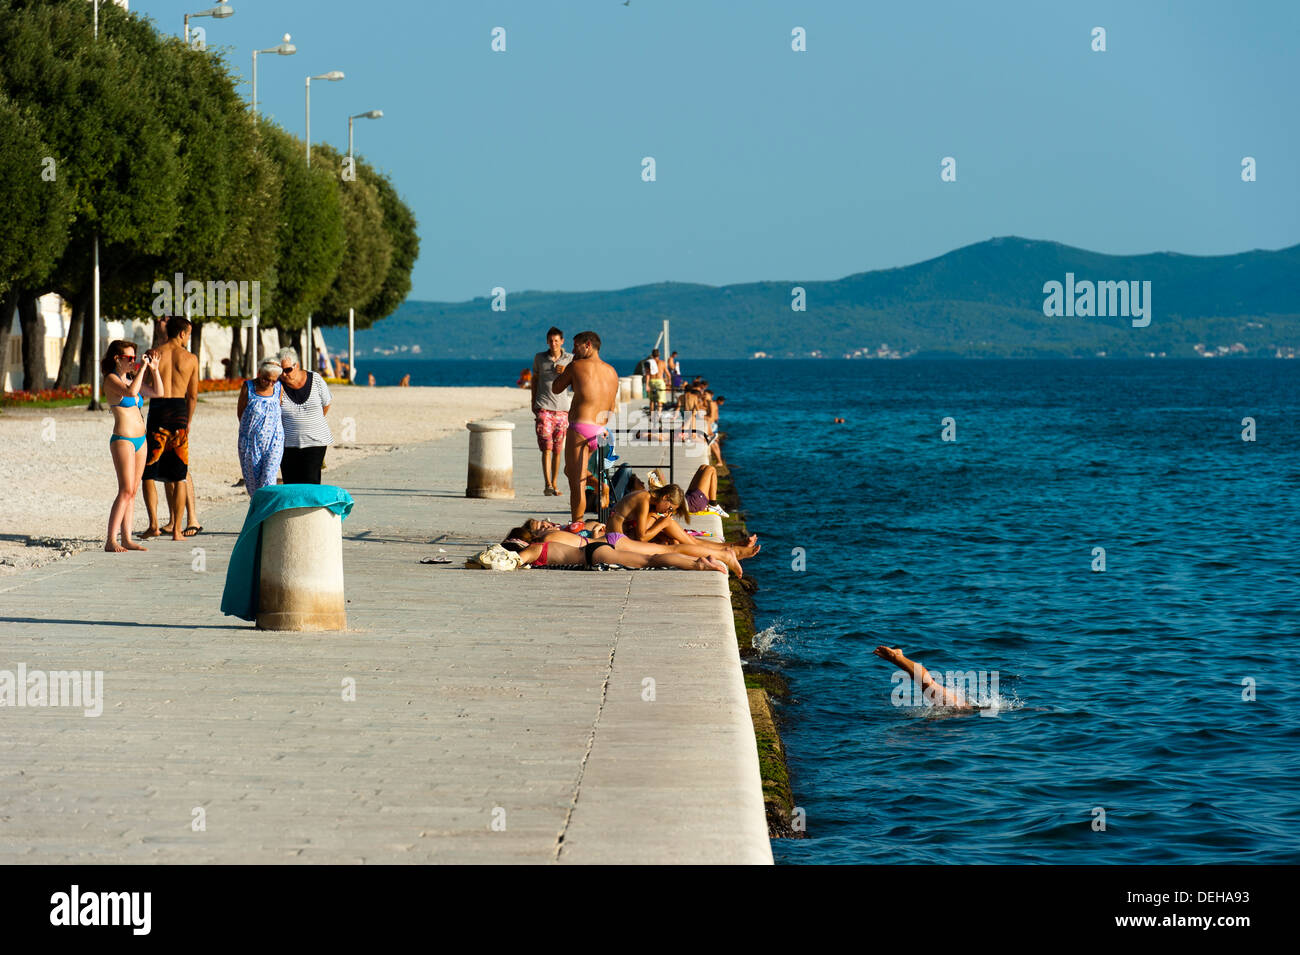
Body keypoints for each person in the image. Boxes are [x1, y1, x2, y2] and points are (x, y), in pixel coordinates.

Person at [507, 518, 745, 576]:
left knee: (664, 552)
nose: (544, 524)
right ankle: (722, 552)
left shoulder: (548, 537)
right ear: (531, 535)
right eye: (538, 526)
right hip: (607, 541)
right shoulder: (550, 535)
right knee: (664, 551)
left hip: (605, 545)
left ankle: (722, 553)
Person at [550, 330, 619, 522]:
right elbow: (612, 407)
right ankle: (599, 486)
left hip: (580, 428)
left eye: (575, 345)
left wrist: (564, 372)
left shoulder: (576, 366)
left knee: (576, 483)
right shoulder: (612, 372)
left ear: (588, 344)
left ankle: (577, 524)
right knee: (570, 471)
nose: (573, 350)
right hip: (601, 431)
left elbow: (556, 389)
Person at [141, 315, 199, 541]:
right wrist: (189, 420)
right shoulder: (190, 358)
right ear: (182, 333)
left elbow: (143, 383)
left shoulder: (154, 353)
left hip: (158, 409)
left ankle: (153, 524)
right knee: (179, 473)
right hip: (178, 412)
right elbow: (192, 396)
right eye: (189, 334)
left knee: (149, 470)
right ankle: (177, 530)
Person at [101, 340, 163, 552]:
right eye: (130, 359)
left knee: (133, 491)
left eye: (135, 358)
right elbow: (129, 393)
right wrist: (143, 368)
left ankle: (127, 537)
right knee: (125, 489)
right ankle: (111, 539)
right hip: (123, 439)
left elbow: (158, 393)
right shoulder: (111, 379)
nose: (134, 362)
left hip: (140, 440)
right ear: (117, 359)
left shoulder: (129, 379)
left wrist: (154, 370)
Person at [608, 485, 759, 558]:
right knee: (670, 527)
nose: (667, 511)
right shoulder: (643, 499)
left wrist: (663, 522)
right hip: (620, 541)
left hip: (623, 536)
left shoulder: (647, 499)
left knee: (683, 537)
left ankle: (729, 548)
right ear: (666, 497)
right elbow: (641, 537)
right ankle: (729, 551)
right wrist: (662, 523)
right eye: (669, 508)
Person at [500, 533, 728, 573]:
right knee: (651, 558)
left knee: (651, 561)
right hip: (593, 551)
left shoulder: (531, 551)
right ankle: (697, 561)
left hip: (593, 556)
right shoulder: (538, 547)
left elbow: (511, 562)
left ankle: (699, 564)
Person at [277, 347, 333, 484]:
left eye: (288, 370)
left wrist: (311, 422)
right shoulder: (278, 386)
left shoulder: (316, 379)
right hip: (288, 444)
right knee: (291, 484)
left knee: (311, 482)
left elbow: (326, 404)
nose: (284, 374)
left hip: (315, 441)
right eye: (280, 371)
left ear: (297, 366)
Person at [530, 327, 573, 496]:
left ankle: (555, 484)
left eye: (556, 340)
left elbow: (576, 381)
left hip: (562, 410)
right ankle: (547, 484)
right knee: (546, 448)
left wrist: (566, 373)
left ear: (562, 341)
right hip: (544, 408)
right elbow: (534, 380)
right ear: (547, 341)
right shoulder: (539, 358)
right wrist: (533, 402)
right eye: (550, 340)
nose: (553, 344)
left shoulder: (570, 358)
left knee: (557, 450)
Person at [872, 646, 978, 710]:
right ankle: (898, 657)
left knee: (928, 687)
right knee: (930, 687)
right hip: (964, 710)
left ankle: (898, 659)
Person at [236, 359, 285, 495]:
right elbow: (241, 413)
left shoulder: (279, 388)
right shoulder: (248, 387)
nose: (270, 384)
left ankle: (268, 513)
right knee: (254, 486)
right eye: (266, 380)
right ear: (259, 374)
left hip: (274, 442)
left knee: (268, 480)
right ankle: (260, 514)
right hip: (251, 444)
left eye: (273, 381)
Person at [643, 348, 665, 417]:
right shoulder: (662, 363)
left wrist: (646, 385)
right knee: (660, 400)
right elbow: (668, 374)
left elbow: (647, 375)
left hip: (652, 382)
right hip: (660, 382)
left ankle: (652, 414)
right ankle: (659, 413)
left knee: (652, 400)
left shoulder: (649, 363)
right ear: (659, 355)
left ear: (652, 355)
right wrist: (668, 381)